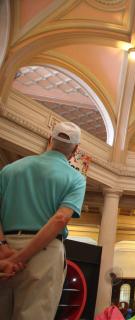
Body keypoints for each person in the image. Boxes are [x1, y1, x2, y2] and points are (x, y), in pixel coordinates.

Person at [0, 121, 86, 320]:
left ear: (49, 140)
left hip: (4, 251)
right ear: (75, 150)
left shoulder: (10, 169)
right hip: (43, 253)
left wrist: (3, 246)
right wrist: (18, 259)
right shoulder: (75, 178)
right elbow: (60, 218)